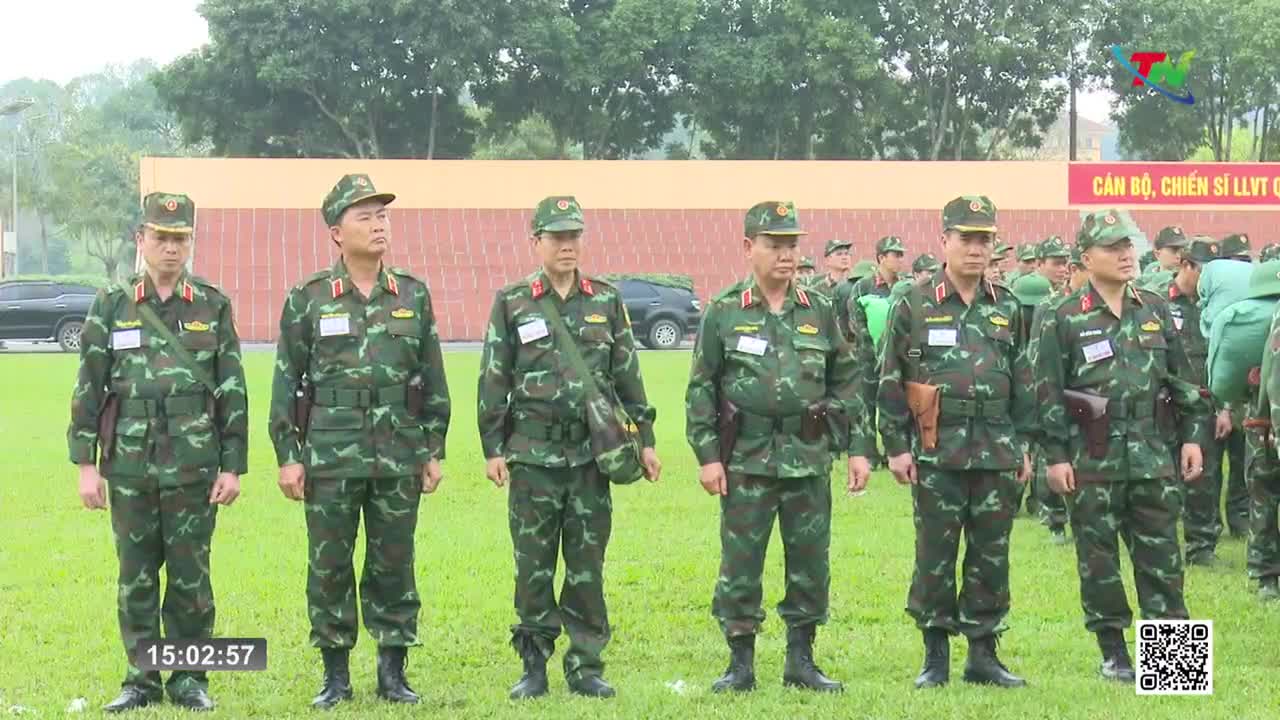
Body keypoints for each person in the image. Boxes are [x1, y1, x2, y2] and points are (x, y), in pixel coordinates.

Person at [268, 174, 451, 708]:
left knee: (394, 561)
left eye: (382, 215)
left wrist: (433, 447)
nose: (378, 225)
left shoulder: (412, 296)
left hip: (398, 454)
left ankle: (393, 673)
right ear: (335, 231)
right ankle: (335, 676)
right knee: (329, 565)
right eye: (364, 216)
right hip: (330, 455)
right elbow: (285, 383)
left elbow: (432, 379)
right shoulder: (308, 300)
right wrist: (288, 457)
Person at [68, 192, 247, 713]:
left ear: (191, 242)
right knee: (136, 575)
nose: (171, 248)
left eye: (180, 238)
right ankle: (142, 679)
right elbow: (89, 387)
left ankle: (190, 679)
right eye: (161, 237)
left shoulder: (211, 305)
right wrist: (86, 466)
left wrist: (233, 465)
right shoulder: (111, 303)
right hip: (128, 465)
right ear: (140, 240)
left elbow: (231, 388)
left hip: (194, 465)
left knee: (191, 576)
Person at [476, 196, 661, 700]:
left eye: (574, 236)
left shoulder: (605, 299)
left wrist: (645, 440)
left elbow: (627, 375)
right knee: (532, 565)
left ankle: (585, 665)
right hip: (533, 458)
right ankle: (534, 664)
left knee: (585, 566)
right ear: (536, 242)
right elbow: (494, 377)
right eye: (556, 237)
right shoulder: (513, 301)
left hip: (590, 460)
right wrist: (493, 446)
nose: (567, 245)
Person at [686, 200, 872, 694]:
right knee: (740, 562)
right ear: (749, 248)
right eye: (775, 245)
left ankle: (801, 660)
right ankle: (740, 664)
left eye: (792, 245)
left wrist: (856, 447)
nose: (786, 255)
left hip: (807, 455)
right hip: (744, 458)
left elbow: (849, 380)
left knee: (810, 560)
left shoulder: (821, 309)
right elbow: (701, 387)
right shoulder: (725, 311)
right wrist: (707, 456)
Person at [1033, 209, 1207, 682]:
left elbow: (1183, 381)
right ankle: (1114, 651)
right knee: (1099, 561)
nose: (1126, 254)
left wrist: (1193, 436)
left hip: (1152, 456)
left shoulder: (1153, 308)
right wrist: (1055, 457)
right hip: (1093, 456)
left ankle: (1175, 664)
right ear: (1086, 257)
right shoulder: (1062, 317)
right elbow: (1046, 392)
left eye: (1128, 245)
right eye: (1113, 247)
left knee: (1163, 559)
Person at [878, 195, 1032, 690]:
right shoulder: (915, 302)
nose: (976, 248)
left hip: (997, 447)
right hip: (937, 449)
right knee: (935, 554)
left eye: (984, 238)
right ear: (944, 241)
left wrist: (1025, 443)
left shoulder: (1008, 303)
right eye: (965, 237)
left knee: (991, 555)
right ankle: (936, 655)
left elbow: (1025, 379)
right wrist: (896, 445)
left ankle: (983, 654)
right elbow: (889, 377)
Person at [1150, 239, 1230, 567]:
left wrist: (1226, 406)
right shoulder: (1156, 302)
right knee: (1160, 477)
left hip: (1204, 402)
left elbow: (1227, 358)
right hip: (1164, 403)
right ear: (1185, 265)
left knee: (1204, 476)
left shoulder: (1217, 304)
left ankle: (1201, 546)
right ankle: (1160, 545)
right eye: (1202, 269)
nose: (1208, 276)